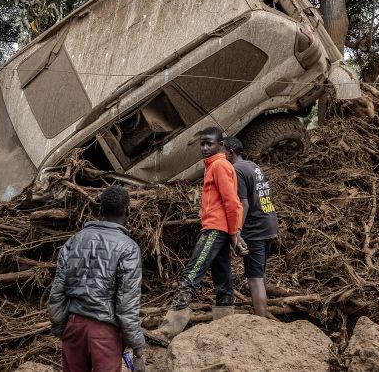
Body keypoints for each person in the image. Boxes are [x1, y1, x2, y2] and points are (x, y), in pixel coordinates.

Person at [154, 127, 243, 340]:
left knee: (192, 273)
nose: (204, 148)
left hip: (216, 229)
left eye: (209, 144)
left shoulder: (219, 166)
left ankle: (169, 330)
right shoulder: (215, 165)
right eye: (202, 144)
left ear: (220, 145)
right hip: (219, 228)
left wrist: (234, 233)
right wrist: (233, 232)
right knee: (222, 276)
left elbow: (232, 202)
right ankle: (225, 322)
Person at [48, 186, 146, 372]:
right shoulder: (128, 248)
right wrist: (138, 350)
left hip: (73, 327)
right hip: (105, 333)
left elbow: (57, 292)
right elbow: (127, 304)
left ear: (100, 210)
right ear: (127, 210)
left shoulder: (74, 241)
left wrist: (62, 329)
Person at [223, 136, 278, 317]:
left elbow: (243, 204)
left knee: (254, 279)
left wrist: (237, 232)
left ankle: (260, 323)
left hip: (256, 228)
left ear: (230, 152)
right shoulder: (253, 166)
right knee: (259, 276)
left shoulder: (236, 169)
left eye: (221, 151)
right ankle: (261, 315)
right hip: (269, 223)